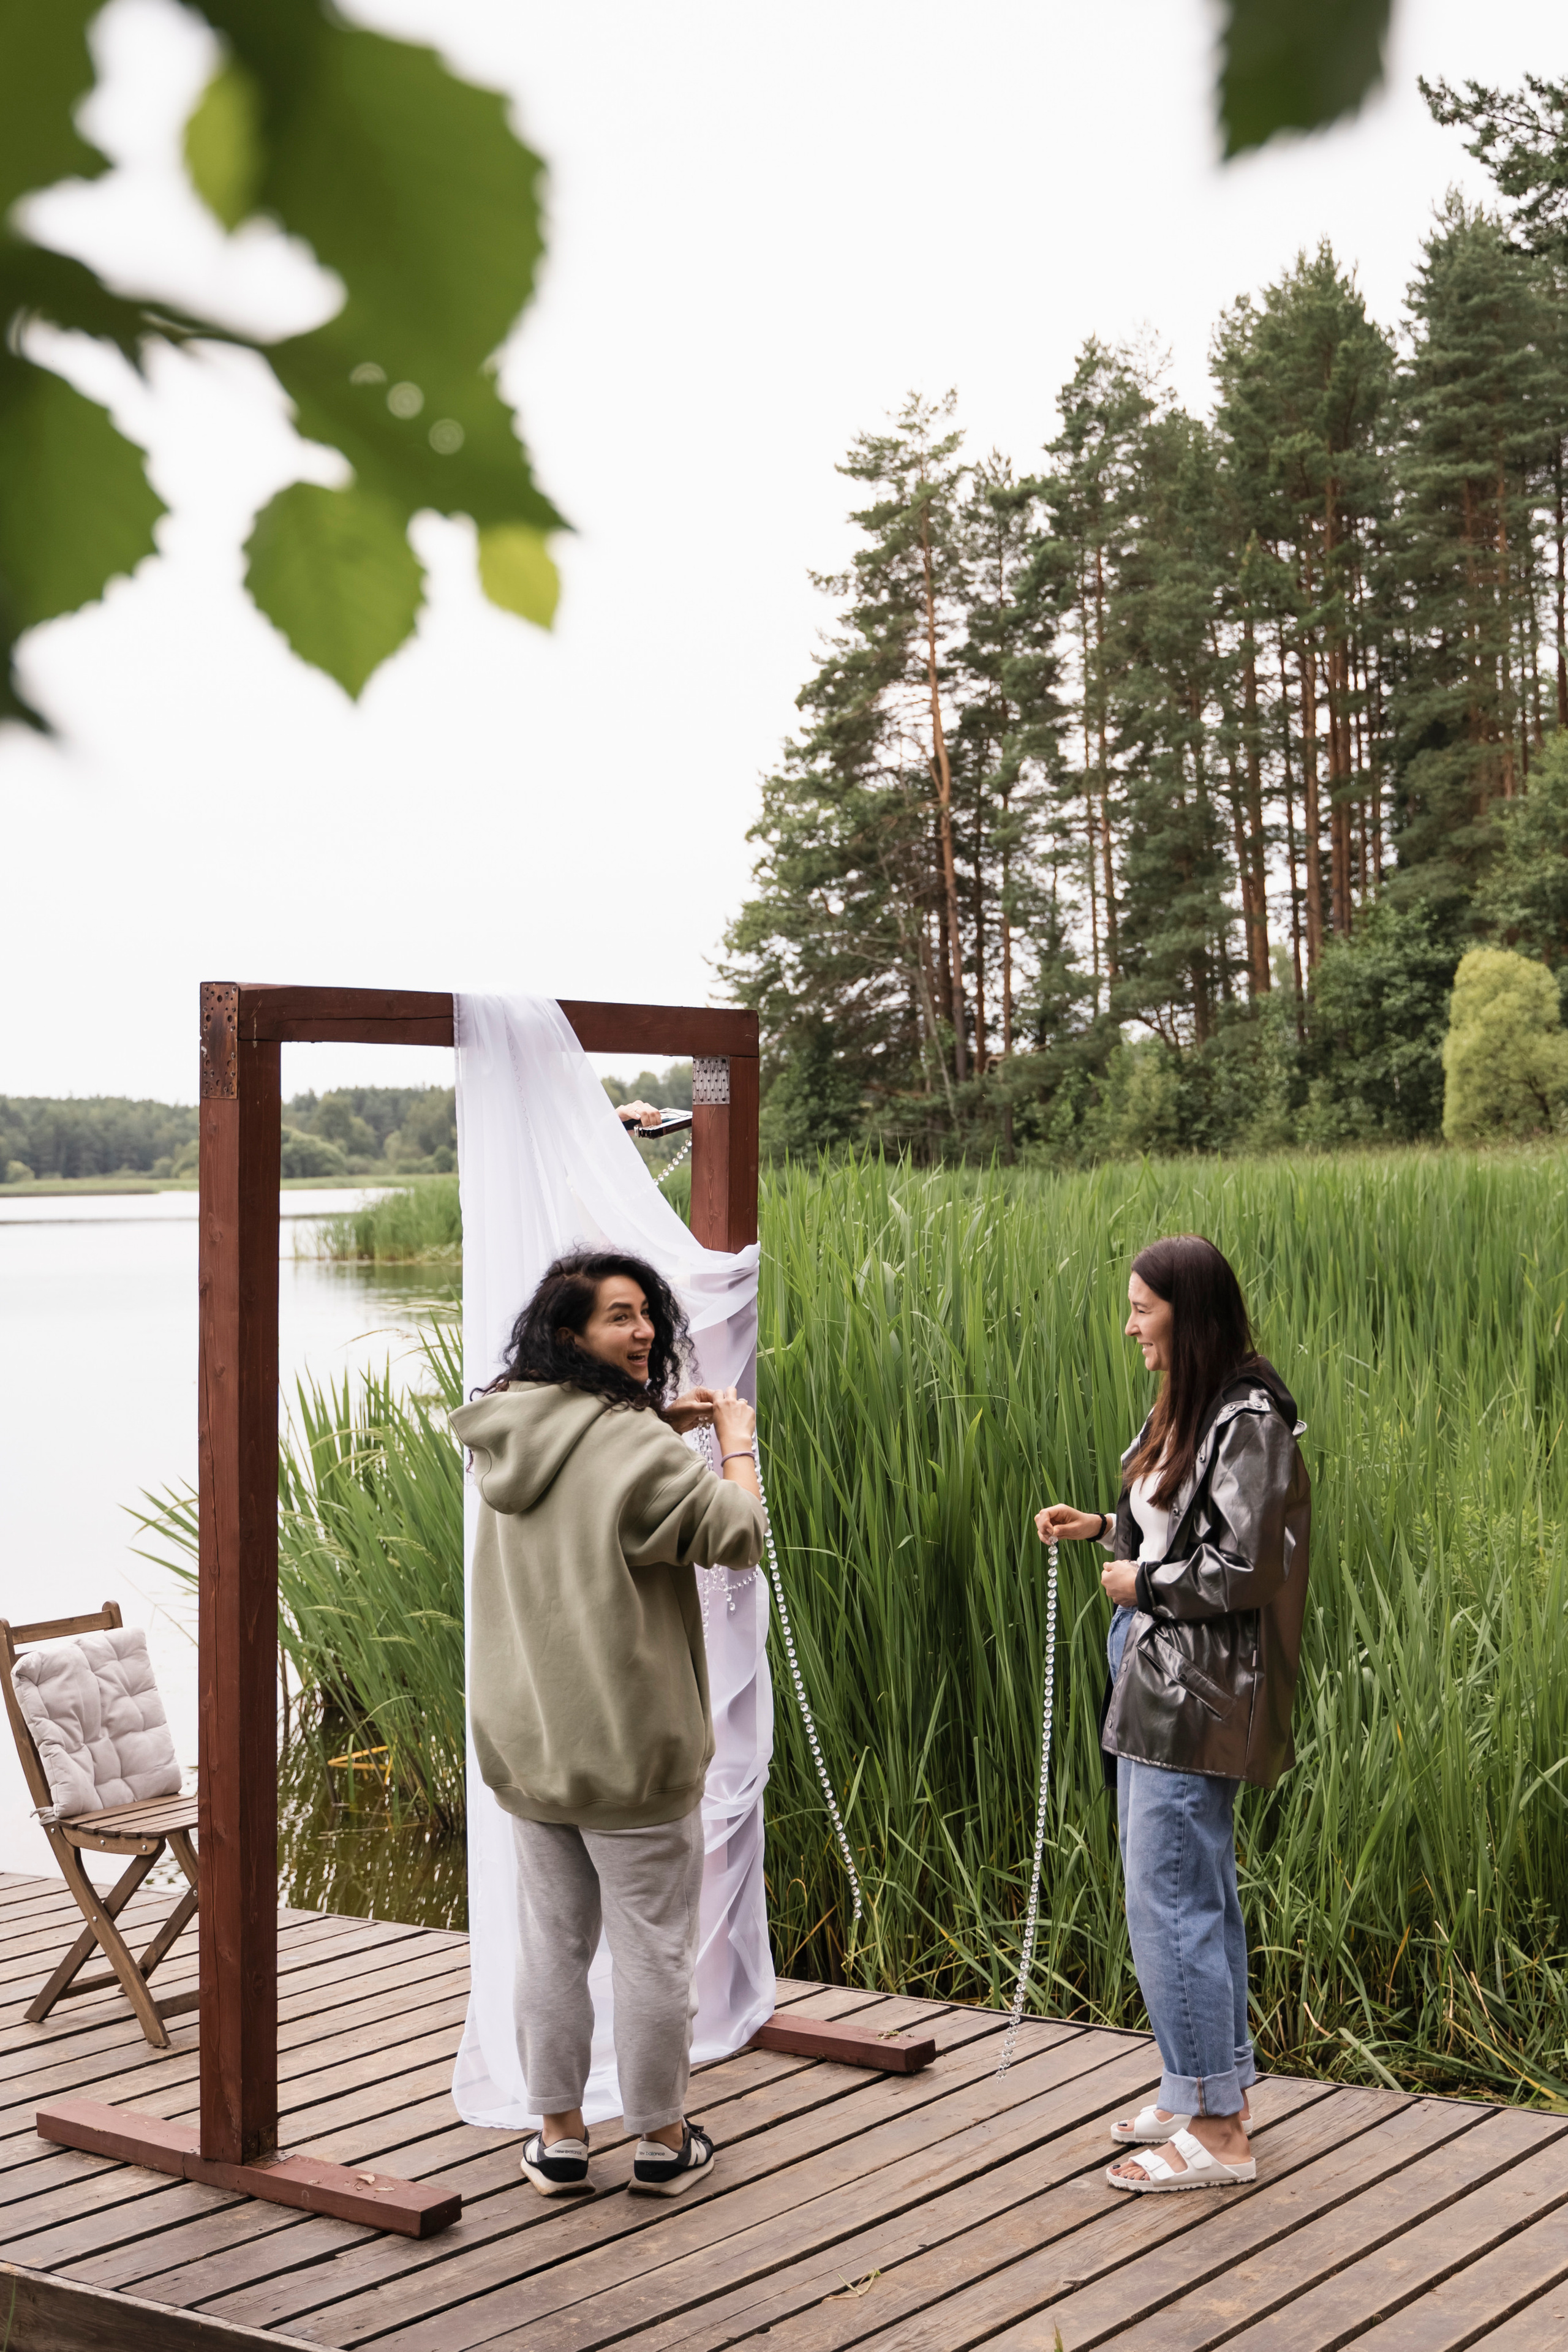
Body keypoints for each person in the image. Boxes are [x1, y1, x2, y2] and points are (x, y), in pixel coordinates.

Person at [450, 1248, 764, 2199]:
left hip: (530, 1743)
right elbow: (738, 1533)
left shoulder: (509, 1426)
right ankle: (661, 2140)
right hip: (631, 1750)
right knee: (652, 1949)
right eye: (620, 1317)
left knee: (552, 1947)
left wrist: (660, 1426)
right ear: (572, 1334)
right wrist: (735, 1442)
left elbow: (586, 1473)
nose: (645, 1333)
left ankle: (557, 2139)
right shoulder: (635, 1446)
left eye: (646, 1315)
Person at [1038, 1234, 1310, 2195]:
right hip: (1156, 1675)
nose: (1129, 1327)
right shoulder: (1193, 1405)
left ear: (1186, 1315)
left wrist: (1143, 1585)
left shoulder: (1250, 1419)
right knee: (1193, 1891)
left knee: (1171, 1899)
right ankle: (1202, 2088)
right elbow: (1182, 1526)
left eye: (1141, 1309)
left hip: (1195, 1688)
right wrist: (1105, 1529)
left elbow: (1248, 1566)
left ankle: (1219, 2133)